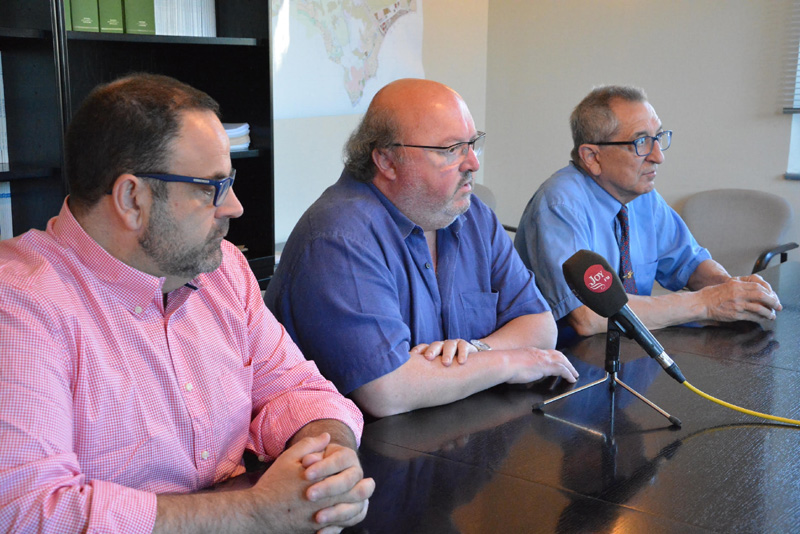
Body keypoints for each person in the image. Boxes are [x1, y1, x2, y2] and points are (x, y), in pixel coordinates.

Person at [0, 73, 374, 533]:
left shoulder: (222, 269)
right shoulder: (19, 302)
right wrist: (255, 513)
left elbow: (298, 389)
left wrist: (329, 463)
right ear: (132, 198)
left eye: (230, 181)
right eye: (209, 187)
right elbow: (27, 511)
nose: (234, 206)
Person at [264, 78, 579, 419]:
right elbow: (388, 391)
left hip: (453, 430)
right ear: (386, 161)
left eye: (472, 143)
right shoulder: (338, 236)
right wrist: (508, 360)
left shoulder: (472, 215)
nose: (473, 162)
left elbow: (540, 325)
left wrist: (474, 350)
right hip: (366, 456)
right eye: (451, 150)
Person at [514, 85, 782, 339]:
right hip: (570, 361)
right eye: (641, 141)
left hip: (634, 346)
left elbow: (688, 263)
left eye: (658, 138)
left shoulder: (642, 196)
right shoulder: (560, 205)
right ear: (592, 157)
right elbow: (589, 317)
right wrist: (706, 302)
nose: (658, 156)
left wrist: (731, 290)